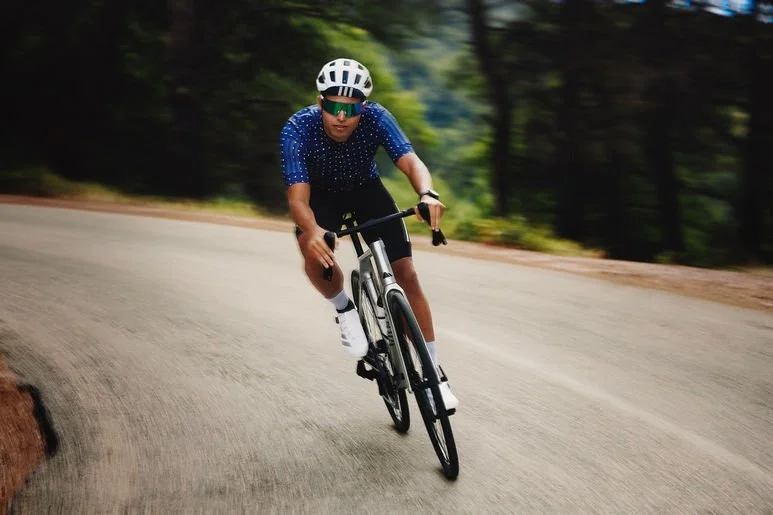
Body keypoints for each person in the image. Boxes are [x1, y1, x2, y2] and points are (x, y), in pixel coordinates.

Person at [279, 57, 458, 410]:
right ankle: (344, 308)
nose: (341, 117)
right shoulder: (297, 129)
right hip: (321, 198)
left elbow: (410, 161)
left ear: (364, 107)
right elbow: (298, 198)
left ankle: (434, 375)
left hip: (365, 189)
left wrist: (427, 193)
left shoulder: (377, 118)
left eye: (351, 108)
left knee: (406, 273)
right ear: (320, 103)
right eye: (333, 106)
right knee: (313, 250)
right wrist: (314, 231)